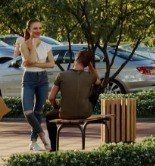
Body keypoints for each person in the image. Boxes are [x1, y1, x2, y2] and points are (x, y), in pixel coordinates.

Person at [15, 20, 55, 151]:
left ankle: (33, 141)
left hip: (42, 79)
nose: (38, 31)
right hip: (28, 79)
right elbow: (31, 60)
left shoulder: (46, 46)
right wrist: (32, 45)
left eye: (40, 28)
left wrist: (35, 64)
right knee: (28, 111)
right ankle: (43, 135)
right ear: (29, 30)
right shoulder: (23, 45)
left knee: (38, 111)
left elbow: (51, 64)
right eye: (35, 28)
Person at [47, 48, 100, 122]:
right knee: (97, 86)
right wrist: (90, 65)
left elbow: (51, 98)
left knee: (49, 116)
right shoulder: (90, 77)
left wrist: (56, 108)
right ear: (87, 64)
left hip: (65, 114)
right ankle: (87, 106)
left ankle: (53, 131)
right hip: (85, 113)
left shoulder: (62, 75)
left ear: (76, 59)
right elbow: (98, 82)